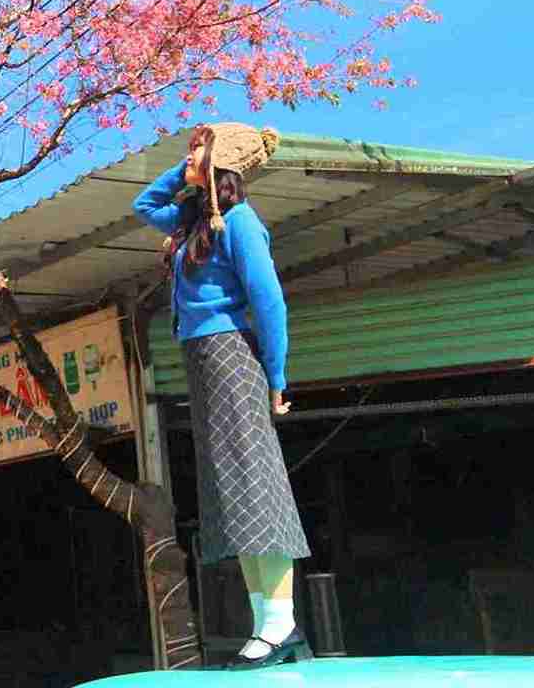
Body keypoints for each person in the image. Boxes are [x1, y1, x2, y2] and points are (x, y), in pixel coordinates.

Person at [134, 122, 311, 670]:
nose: (189, 158)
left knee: (254, 481)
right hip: (202, 359)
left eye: (199, 153)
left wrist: (277, 376)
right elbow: (145, 203)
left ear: (224, 165)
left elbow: (270, 303)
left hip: (232, 356)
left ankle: (280, 625)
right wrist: (186, 173)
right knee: (230, 488)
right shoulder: (194, 223)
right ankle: (270, 624)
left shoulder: (241, 223)